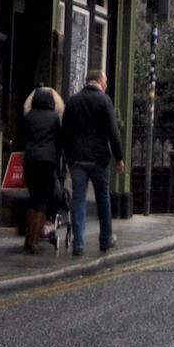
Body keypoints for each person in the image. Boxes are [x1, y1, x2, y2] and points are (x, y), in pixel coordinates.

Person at [60, 68, 125, 257]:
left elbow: (65, 132)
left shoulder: (72, 101)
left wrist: (68, 158)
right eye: (105, 81)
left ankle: (78, 244)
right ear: (98, 81)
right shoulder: (104, 101)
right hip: (99, 159)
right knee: (103, 198)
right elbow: (113, 132)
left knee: (78, 199)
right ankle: (105, 239)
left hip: (77, 160)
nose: (106, 85)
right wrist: (119, 158)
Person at [20, 83, 64, 255]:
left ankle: (28, 238)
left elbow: (23, 138)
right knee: (42, 200)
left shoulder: (28, 117)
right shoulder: (53, 117)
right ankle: (35, 241)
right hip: (47, 161)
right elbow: (58, 141)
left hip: (30, 160)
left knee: (33, 198)